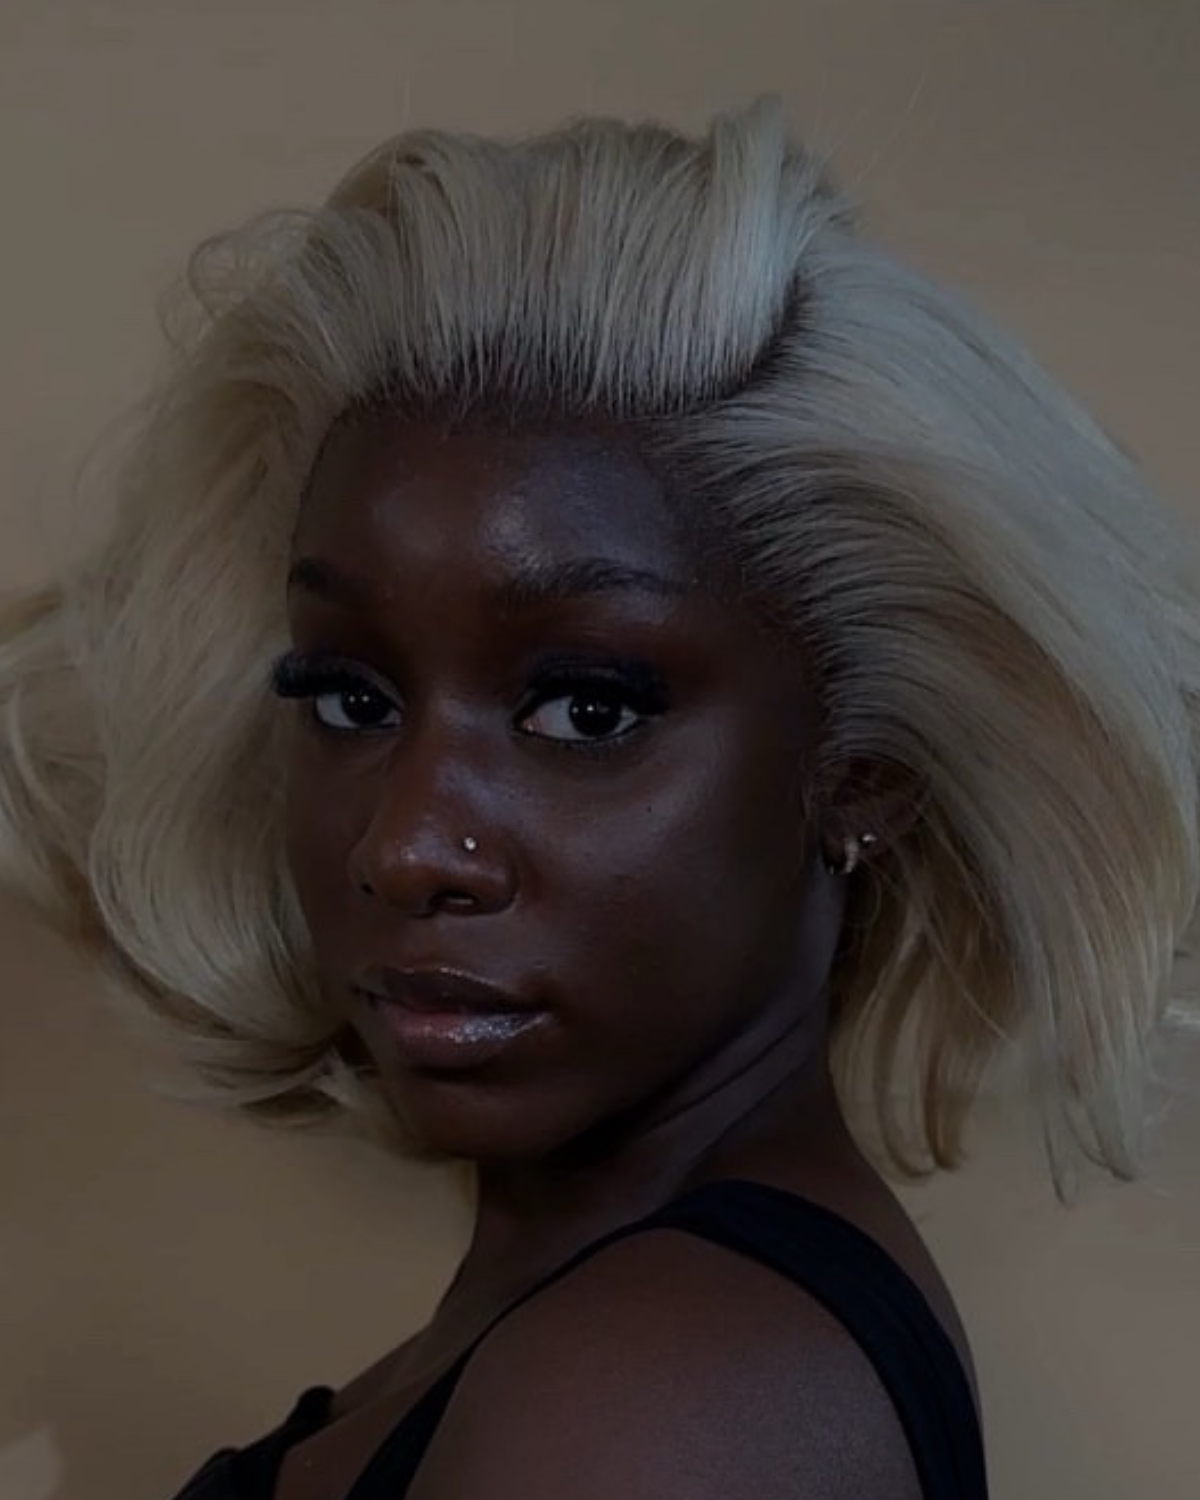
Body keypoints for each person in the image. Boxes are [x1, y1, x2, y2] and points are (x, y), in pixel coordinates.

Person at [2, 95, 1198, 1500]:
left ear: (859, 775)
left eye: (587, 710)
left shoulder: (666, 1397)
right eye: (351, 698)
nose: (406, 847)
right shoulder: (597, 1343)